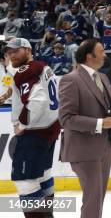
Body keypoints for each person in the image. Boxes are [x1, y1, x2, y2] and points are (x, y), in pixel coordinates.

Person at [58, 39, 111, 218]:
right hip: (83, 149)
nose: (105, 55)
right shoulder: (70, 80)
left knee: (98, 198)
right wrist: (99, 124)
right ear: (89, 55)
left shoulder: (102, 77)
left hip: (104, 147)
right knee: (93, 199)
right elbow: (66, 119)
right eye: (102, 51)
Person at [8, 38, 61, 217]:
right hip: (48, 130)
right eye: (9, 51)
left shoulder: (27, 70)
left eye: (17, 50)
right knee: (43, 174)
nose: (11, 54)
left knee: (25, 181)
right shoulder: (42, 67)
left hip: (34, 133)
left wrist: (22, 124)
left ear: (29, 50)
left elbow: (37, 102)